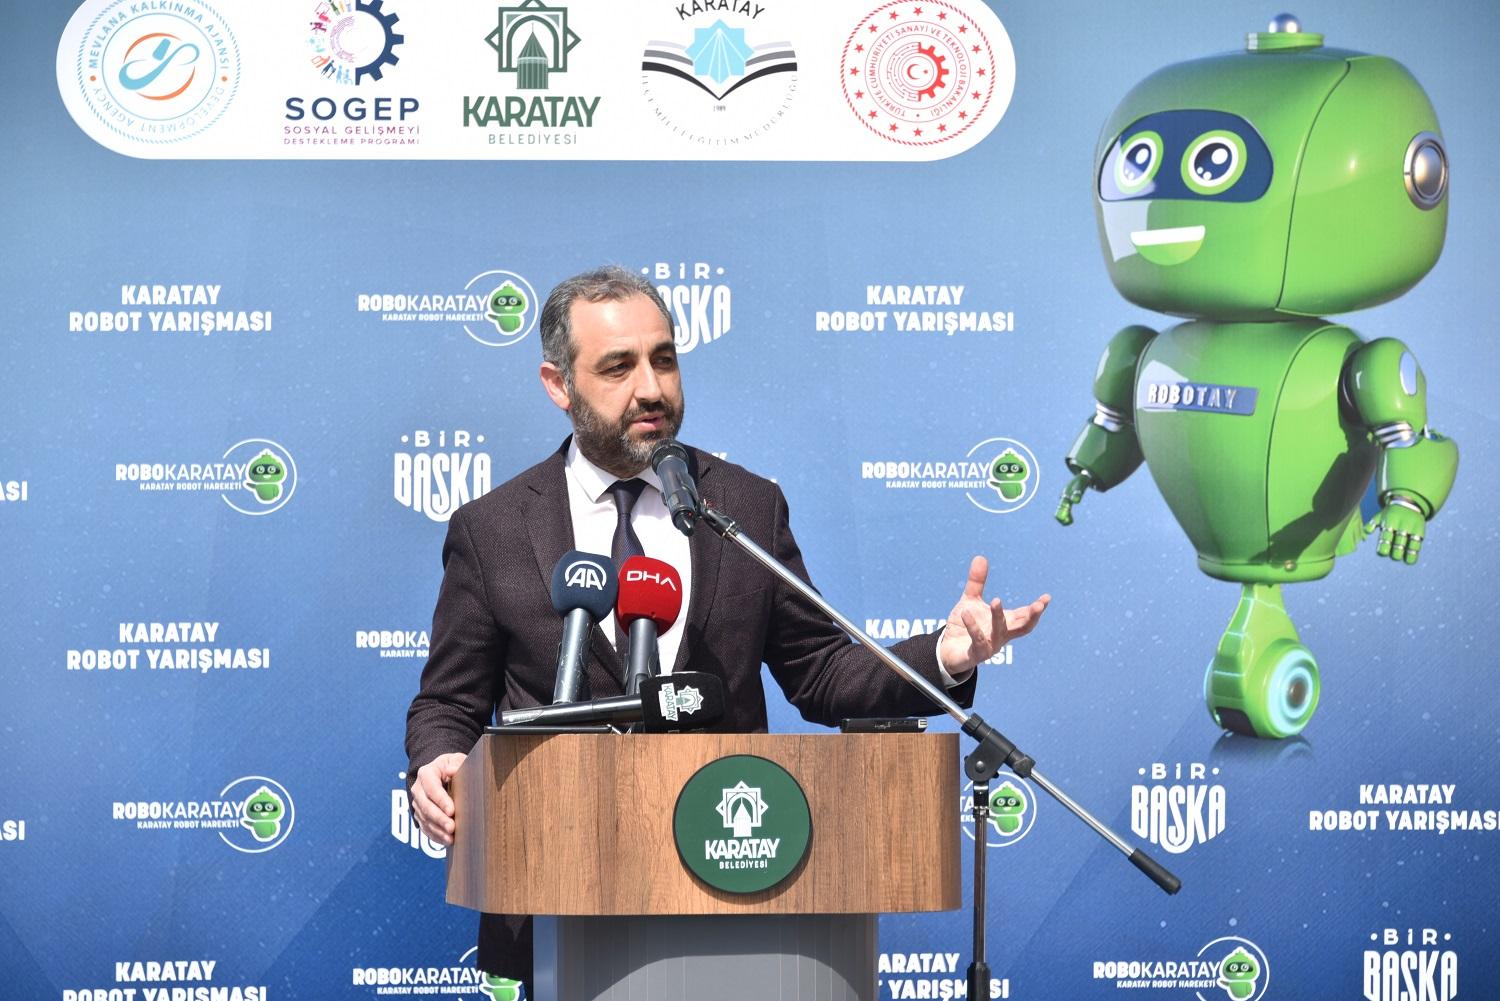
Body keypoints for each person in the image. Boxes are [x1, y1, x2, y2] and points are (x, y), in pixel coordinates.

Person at [405, 265, 1051, 989]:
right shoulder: (492, 527)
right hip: (553, 898)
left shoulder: (745, 506)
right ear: (558, 384)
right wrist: (438, 760)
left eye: (664, 359)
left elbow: (821, 672)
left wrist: (946, 656)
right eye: (618, 367)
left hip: (733, 895)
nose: (651, 388)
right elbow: (449, 701)